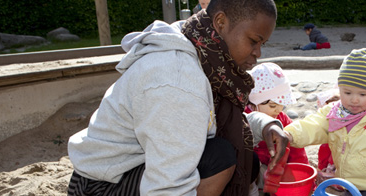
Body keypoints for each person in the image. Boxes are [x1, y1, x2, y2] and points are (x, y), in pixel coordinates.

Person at [66, 0, 281, 195]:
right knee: (221, 157)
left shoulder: (201, 44)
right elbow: (167, 188)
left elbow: (211, 120)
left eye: (263, 44)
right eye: (254, 41)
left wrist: (265, 125)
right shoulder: (178, 80)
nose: (258, 53)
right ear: (221, 22)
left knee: (245, 159)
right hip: (98, 186)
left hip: (132, 170)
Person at [265, 48, 366, 195]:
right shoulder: (333, 113)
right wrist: (290, 134)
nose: (354, 99)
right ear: (339, 90)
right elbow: (312, 125)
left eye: (362, 94)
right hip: (348, 184)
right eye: (347, 93)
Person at [244, 62, 309, 192]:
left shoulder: (282, 118)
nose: (278, 110)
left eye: (282, 105)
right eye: (273, 106)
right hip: (254, 171)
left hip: (277, 168)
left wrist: (301, 169)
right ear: (254, 102)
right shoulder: (245, 119)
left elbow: (296, 148)